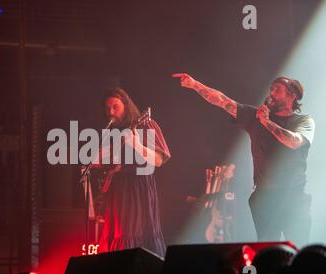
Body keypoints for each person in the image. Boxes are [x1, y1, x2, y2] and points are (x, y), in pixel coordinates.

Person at [173, 73, 314, 247]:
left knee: (301, 251)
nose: (271, 93)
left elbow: (293, 141)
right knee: (268, 253)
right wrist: (195, 84)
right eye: (270, 89)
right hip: (265, 198)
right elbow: (223, 101)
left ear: (292, 95)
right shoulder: (255, 117)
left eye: (277, 89)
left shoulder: (303, 121)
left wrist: (267, 123)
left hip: (293, 198)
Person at [95, 87, 171, 258]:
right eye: (108, 108)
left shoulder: (145, 124)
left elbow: (158, 160)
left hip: (138, 189)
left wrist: (137, 144)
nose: (111, 112)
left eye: (115, 107)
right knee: (118, 235)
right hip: (118, 191)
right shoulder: (112, 131)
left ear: (126, 105)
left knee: (136, 234)